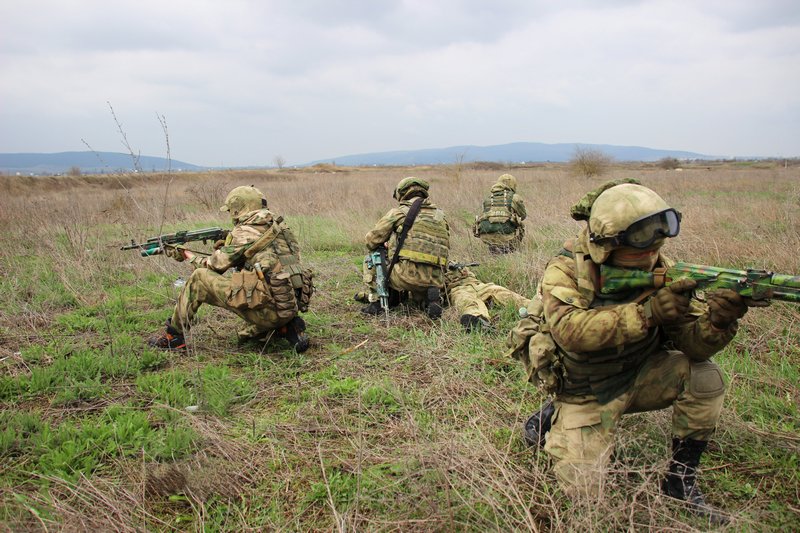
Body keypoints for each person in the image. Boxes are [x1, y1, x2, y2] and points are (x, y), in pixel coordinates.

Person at [509, 180, 764, 523]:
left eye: (657, 246)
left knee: (705, 376)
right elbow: (571, 332)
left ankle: (679, 480)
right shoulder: (566, 270)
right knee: (584, 500)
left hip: (640, 374)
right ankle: (553, 414)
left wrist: (717, 322)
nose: (650, 257)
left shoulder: (661, 267)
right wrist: (647, 314)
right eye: (640, 249)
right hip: (586, 391)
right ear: (606, 246)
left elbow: (693, 347)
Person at [149, 185, 313, 352]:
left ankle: (174, 336)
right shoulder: (280, 228)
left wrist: (185, 254)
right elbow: (267, 264)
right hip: (290, 306)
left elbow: (212, 266)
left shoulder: (244, 232)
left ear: (237, 208)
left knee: (199, 278)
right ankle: (286, 327)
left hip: (270, 311)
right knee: (245, 335)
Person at [360, 177, 450, 319]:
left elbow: (371, 241)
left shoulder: (399, 212)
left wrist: (387, 245)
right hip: (436, 277)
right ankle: (429, 299)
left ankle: (377, 303)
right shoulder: (440, 215)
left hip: (406, 276)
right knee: (420, 290)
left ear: (402, 193)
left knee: (373, 256)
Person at [445, 263, 531, 332]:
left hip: (478, 285)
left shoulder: (457, 263)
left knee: (499, 291)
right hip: (458, 289)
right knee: (467, 301)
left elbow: (470, 274)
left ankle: (534, 307)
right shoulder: (437, 270)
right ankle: (478, 321)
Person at [473, 173, 527, 254]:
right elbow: (523, 216)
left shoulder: (488, 198)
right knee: (520, 225)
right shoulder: (515, 197)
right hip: (508, 237)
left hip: (485, 236)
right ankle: (511, 250)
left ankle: (494, 249)